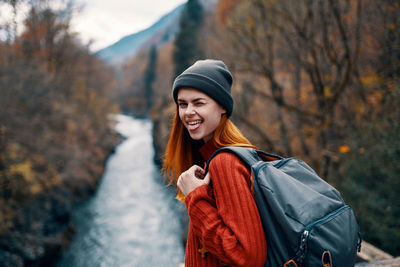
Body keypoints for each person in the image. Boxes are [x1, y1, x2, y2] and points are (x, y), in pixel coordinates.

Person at [163, 59, 267, 267]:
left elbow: (249, 258)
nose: (188, 112)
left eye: (198, 103)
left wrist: (196, 198)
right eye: (183, 104)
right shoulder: (211, 158)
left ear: (222, 107)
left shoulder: (225, 163)